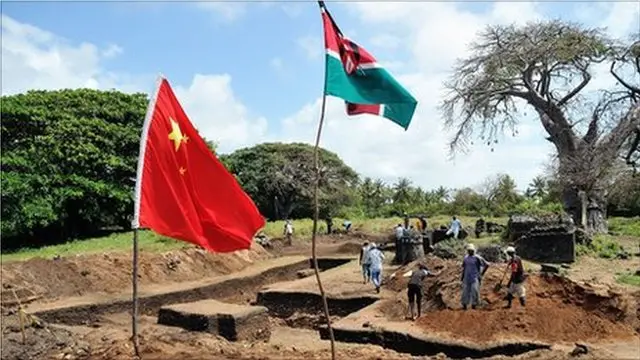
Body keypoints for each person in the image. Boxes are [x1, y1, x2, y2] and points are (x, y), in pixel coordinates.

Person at [460, 243, 489, 310]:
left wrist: (481, 274)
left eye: (471, 250)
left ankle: (474, 305)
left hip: (475, 277)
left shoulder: (477, 258)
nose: (470, 251)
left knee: (474, 291)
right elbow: (464, 268)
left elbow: (487, 265)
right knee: (465, 291)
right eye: (469, 250)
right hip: (466, 277)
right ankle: (464, 305)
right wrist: (462, 276)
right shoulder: (466, 258)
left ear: (474, 250)